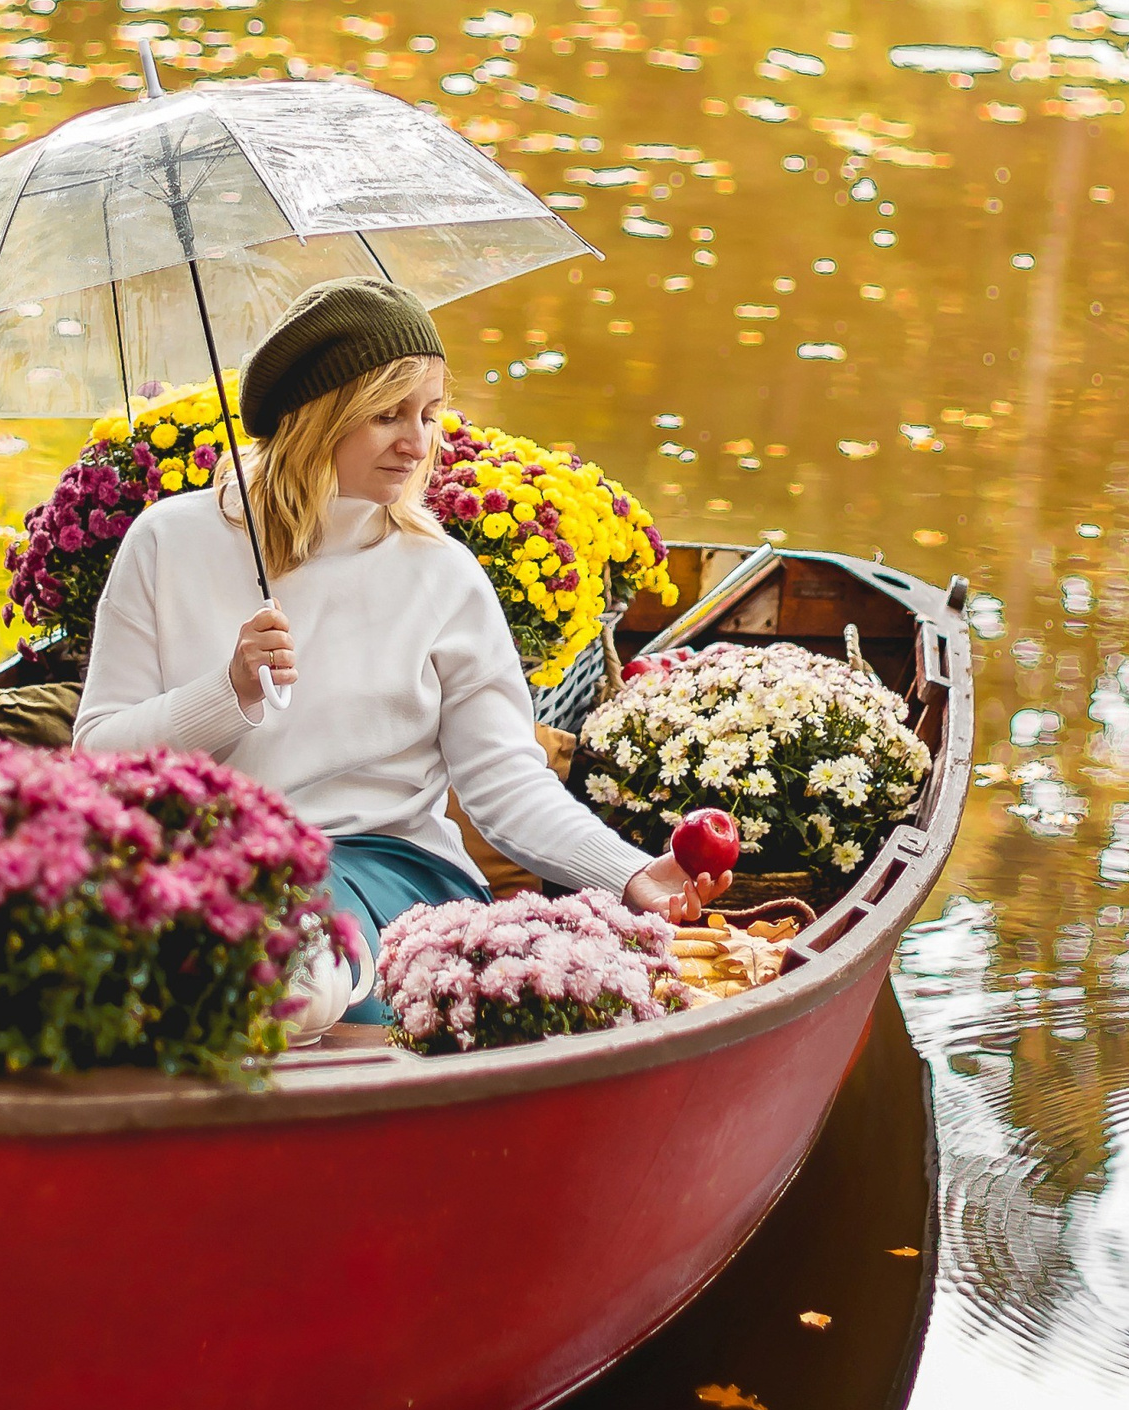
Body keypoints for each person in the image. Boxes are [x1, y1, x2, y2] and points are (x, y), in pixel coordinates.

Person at [40, 278, 730, 1020]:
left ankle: (293, 993)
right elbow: (97, 760)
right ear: (314, 417)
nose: (418, 442)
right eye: (386, 414)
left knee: (302, 959)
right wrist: (227, 692)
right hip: (199, 867)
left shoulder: (441, 574)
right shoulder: (167, 543)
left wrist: (629, 873)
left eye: (429, 413)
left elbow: (505, 784)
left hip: (389, 870)